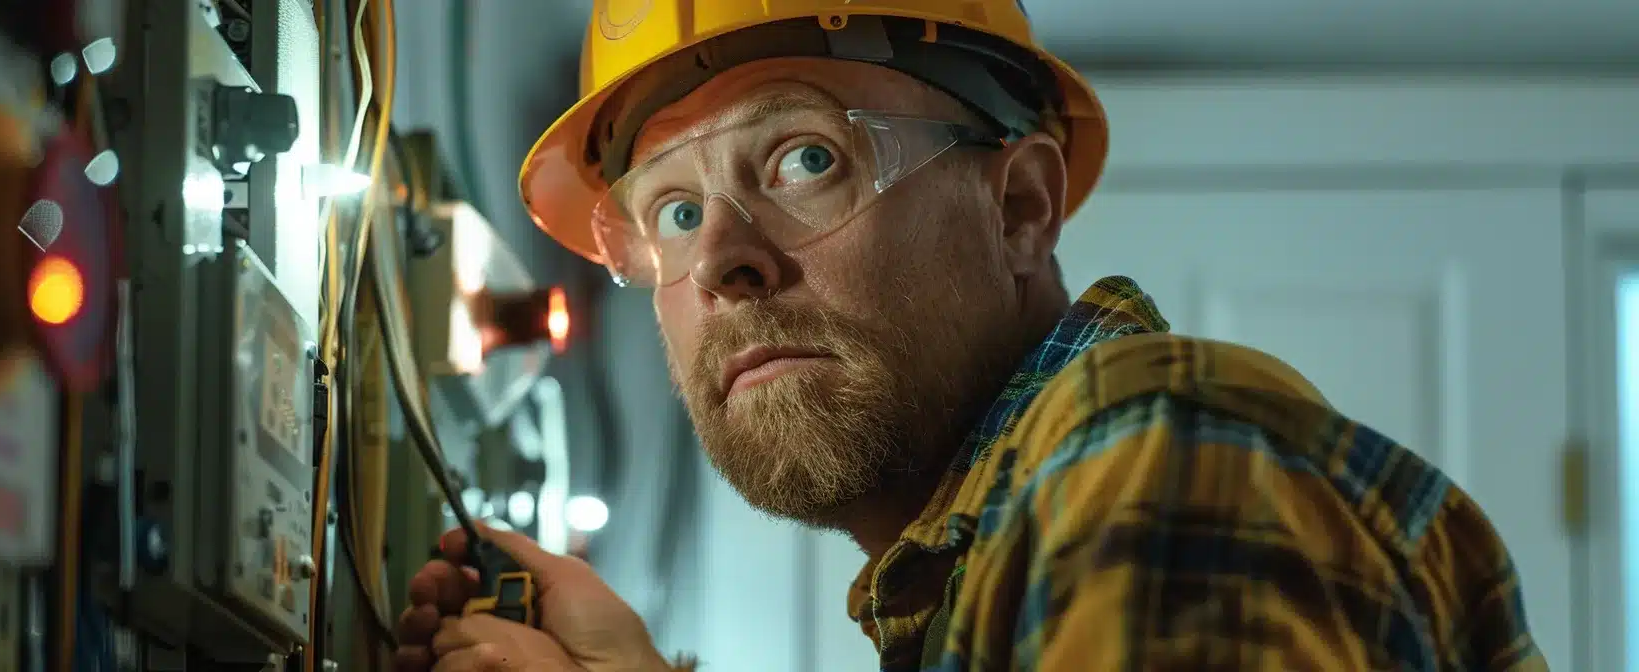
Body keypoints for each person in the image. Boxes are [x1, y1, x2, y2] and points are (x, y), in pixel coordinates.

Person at [394, 2, 1551, 671]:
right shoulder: (974, 574)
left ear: (1019, 206)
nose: (720, 261)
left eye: (805, 158)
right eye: (675, 212)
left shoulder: (1161, 449)